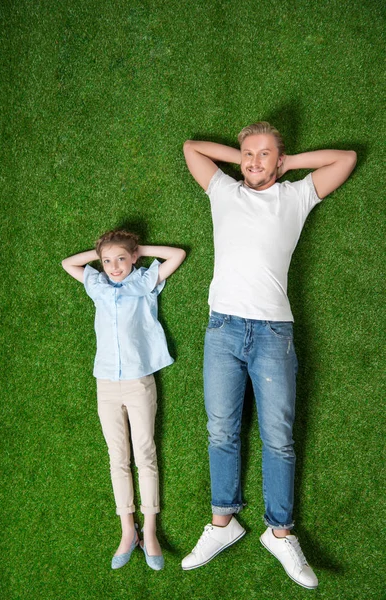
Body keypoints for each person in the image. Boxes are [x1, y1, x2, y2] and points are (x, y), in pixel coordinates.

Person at [181, 122, 356, 589]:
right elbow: (192, 148)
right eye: (248, 154)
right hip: (222, 328)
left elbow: (346, 160)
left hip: (274, 331)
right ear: (238, 159)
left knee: (278, 437)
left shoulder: (295, 196)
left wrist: (287, 164)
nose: (255, 161)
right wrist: (246, 160)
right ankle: (224, 522)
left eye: (266, 154)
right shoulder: (223, 191)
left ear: (280, 160)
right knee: (221, 430)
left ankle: (280, 533)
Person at [62, 229, 185, 571]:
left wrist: (136, 249)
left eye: (121, 260)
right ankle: (127, 530)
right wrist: (102, 251)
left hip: (138, 380)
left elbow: (176, 255)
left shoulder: (144, 282)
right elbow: (67, 263)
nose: (113, 267)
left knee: (145, 454)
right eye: (107, 262)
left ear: (133, 259)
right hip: (105, 382)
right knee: (118, 457)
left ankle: (150, 530)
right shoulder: (97, 286)